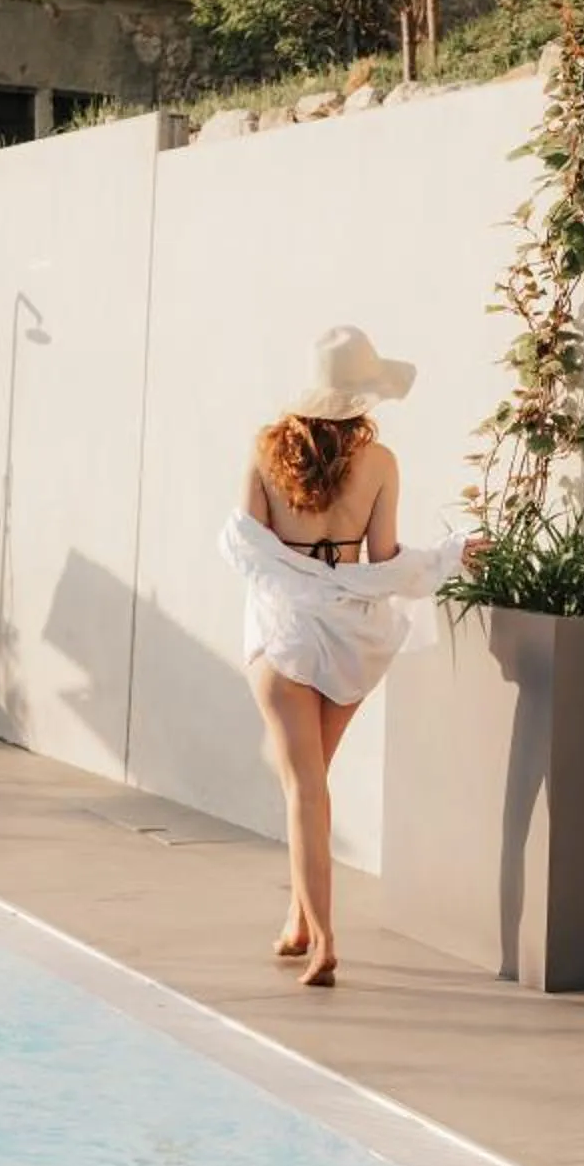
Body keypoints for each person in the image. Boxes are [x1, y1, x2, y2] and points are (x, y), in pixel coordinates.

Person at [220, 327, 483, 987]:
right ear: (363, 396)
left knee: (302, 787)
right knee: (314, 784)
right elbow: (386, 560)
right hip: (348, 635)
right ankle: (300, 921)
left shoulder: (263, 453)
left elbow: (248, 548)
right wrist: (447, 556)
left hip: (285, 634)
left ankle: (324, 939)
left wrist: (299, 573)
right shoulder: (382, 464)